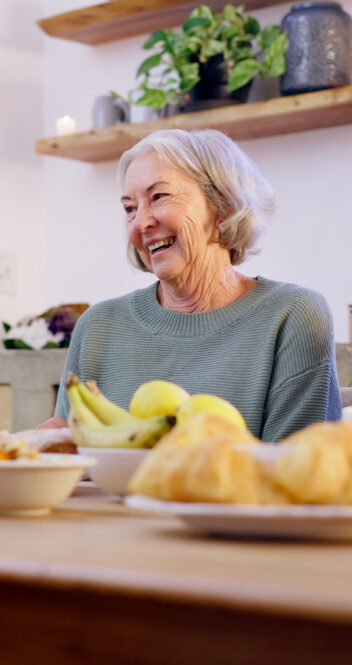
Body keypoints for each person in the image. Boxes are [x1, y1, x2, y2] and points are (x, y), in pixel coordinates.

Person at [48, 128, 341, 441]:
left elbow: (296, 473)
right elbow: (67, 464)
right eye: (130, 208)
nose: (140, 224)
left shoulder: (293, 316)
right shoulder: (97, 327)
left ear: (223, 206)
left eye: (158, 197)